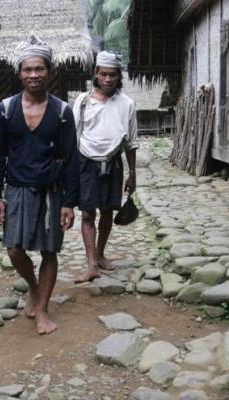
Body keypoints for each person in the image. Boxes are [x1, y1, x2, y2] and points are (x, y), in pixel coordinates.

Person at [0, 37, 79, 334]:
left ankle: (43, 311)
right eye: (27, 70)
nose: (33, 75)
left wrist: (68, 202)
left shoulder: (62, 112)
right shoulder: (6, 110)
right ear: (19, 73)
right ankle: (34, 288)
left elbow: (71, 158)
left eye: (39, 69)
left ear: (49, 71)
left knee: (50, 252)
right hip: (17, 189)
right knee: (14, 249)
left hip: (51, 191)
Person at [72, 51, 138, 283]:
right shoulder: (82, 102)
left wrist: (132, 173)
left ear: (119, 76)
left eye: (112, 74)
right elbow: (73, 136)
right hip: (86, 162)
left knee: (108, 211)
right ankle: (91, 264)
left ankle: (100, 254)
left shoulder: (127, 104)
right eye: (103, 74)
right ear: (95, 74)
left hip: (113, 163)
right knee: (88, 213)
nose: (108, 79)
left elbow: (131, 143)